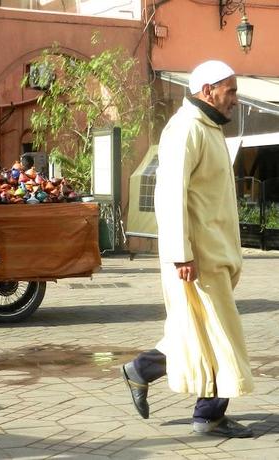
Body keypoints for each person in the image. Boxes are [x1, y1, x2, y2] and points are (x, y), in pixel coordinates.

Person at [121, 60, 254, 438]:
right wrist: (181, 254)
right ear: (208, 89)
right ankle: (208, 414)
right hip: (196, 258)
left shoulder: (208, 128)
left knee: (196, 331)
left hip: (213, 254)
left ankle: (142, 370)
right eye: (230, 91)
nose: (235, 100)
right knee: (219, 334)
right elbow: (170, 196)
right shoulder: (185, 129)